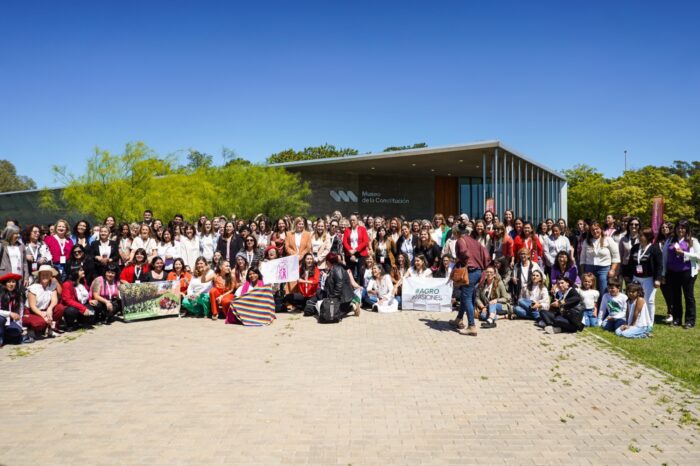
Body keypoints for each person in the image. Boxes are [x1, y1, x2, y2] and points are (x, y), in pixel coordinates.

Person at [452, 224, 491, 336]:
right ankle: (459, 319)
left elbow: (464, 253)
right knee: (467, 296)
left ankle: (471, 326)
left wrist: (463, 261)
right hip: (478, 271)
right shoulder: (474, 241)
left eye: (454, 234)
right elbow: (486, 254)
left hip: (470, 271)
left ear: (456, 233)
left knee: (467, 298)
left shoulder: (460, 240)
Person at [664, 219, 699, 328]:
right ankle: (677, 319)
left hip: (687, 272)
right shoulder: (670, 240)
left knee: (688, 296)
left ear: (687, 229)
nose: (680, 230)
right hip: (672, 272)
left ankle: (690, 321)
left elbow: (698, 256)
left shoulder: (693, 241)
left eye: (683, 227)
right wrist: (663, 272)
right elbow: (665, 256)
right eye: (678, 227)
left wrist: (684, 253)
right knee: (675, 296)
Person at [628, 227, 662, 327]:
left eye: (642, 235)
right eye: (640, 235)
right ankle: (635, 319)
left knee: (649, 300)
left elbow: (660, 265)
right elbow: (631, 262)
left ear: (648, 237)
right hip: (636, 277)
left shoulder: (655, 248)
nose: (640, 237)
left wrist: (657, 279)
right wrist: (629, 276)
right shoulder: (635, 247)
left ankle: (650, 322)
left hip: (649, 278)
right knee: (634, 299)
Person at [579, 221, 620, 299]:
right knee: (590, 291)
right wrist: (582, 272)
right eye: (592, 230)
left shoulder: (608, 240)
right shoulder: (586, 241)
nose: (595, 231)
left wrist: (612, 270)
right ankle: (592, 309)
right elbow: (582, 258)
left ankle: (603, 310)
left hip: (604, 269)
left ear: (601, 229)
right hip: (589, 268)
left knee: (603, 291)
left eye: (597, 229)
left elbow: (616, 257)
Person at [25, 265, 63, 338]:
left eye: (47, 274)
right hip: (33, 311)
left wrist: (50, 309)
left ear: (51, 276)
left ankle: (51, 329)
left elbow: (54, 299)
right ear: (39, 276)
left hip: (45, 310)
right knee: (40, 322)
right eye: (43, 274)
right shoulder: (33, 287)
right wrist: (44, 316)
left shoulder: (52, 286)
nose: (45, 276)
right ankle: (31, 329)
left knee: (59, 308)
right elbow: (32, 306)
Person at [320, 252, 358, 319]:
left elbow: (339, 286)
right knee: (327, 313)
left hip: (344, 299)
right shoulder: (333, 269)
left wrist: (332, 297)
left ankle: (352, 306)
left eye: (326, 261)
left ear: (328, 262)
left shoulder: (338, 269)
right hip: (339, 297)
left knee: (334, 316)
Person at [0, 273, 30, 346]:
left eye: (13, 282)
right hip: (2, 320)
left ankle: (5, 338)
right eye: (9, 282)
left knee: (16, 332)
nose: (11, 284)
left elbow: (20, 311)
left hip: (10, 322)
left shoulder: (17, 295)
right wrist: (9, 313)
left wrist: (21, 325)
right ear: (5, 284)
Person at [657, 222, 675, 324]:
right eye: (662, 227)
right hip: (661, 271)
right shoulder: (658, 241)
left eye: (666, 227)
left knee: (671, 293)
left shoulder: (673, 239)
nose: (664, 229)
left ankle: (672, 313)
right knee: (665, 293)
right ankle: (670, 312)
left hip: (671, 270)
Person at [342, 214, 370, 281]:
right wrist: (350, 250)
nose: (352, 222)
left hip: (361, 254)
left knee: (361, 273)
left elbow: (366, 241)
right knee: (350, 273)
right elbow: (344, 242)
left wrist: (355, 250)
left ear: (357, 221)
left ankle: (360, 289)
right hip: (350, 254)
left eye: (354, 220)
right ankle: (351, 289)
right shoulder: (347, 230)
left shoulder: (362, 229)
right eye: (351, 220)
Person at [618, 217, 641, 285]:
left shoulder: (642, 238)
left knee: (638, 288)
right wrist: (620, 269)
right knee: (629, 287)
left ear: (639, 226)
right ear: (628, 226)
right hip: (626, 267)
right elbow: (620, 255)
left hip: (638, 266)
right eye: (631, 224)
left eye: (636, 224)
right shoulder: (623, 239)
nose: (633, 226)